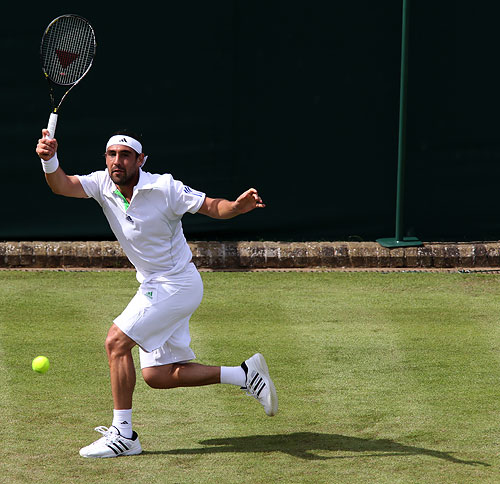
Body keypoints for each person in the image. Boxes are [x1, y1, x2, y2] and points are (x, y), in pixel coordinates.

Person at [35, 129, 278, 458]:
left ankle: (123, 435)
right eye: (111, 155)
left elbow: (211, 206)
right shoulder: (102, 184)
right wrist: (50, 160)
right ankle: (245, 375)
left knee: (116, 342)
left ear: (140, 160)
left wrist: (235, 206)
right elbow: (62, 185)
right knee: (158, 375)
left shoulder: (165, 187)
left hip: (176, 284)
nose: (117, 161)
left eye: (125, 155)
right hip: (154, 284)